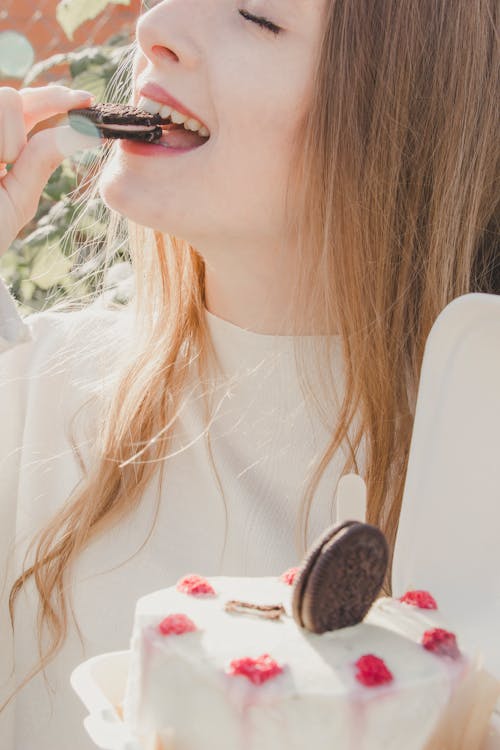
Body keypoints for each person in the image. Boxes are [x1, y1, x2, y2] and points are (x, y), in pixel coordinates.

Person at [0, 1, 498, 748]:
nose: (153, 27)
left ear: (398, 113)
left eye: (255, 15)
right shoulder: (28, 391)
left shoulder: (477, 451)